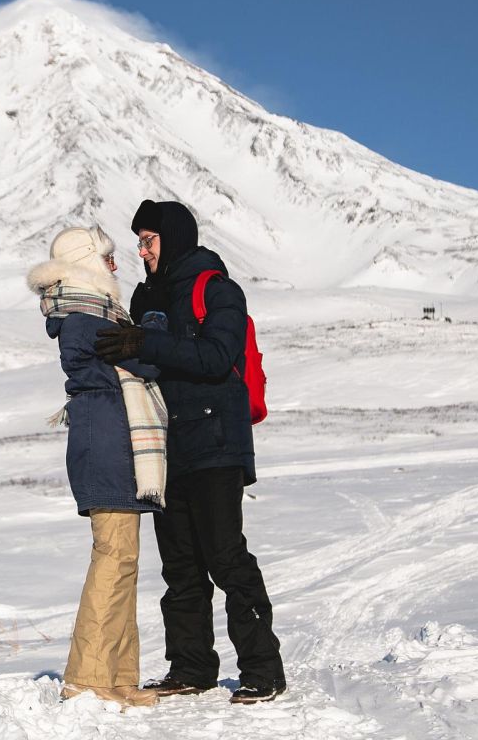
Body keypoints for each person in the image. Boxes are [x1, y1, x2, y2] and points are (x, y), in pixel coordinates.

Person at [94, 200, 287, 705]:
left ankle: (264, 670)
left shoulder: (217, 289)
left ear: (174, 238)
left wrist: (145, 343)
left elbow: (216, 357)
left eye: (149, 240)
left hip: (216, 445)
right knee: (179, 566)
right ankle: (191, 667)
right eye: (138, 241)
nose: (142, 250)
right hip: (164, 448)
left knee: (225, 558)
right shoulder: (145, 297)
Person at [27, 225, 167, 709]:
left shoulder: (94, 312)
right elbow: (142, 365)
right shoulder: (86, 317)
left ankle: (120, 677)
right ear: (87, 263)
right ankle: (87, 676)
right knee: (113, 558)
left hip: (113, 440)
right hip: (106, 440)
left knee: (124, 561)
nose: (115, 266)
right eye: (105, 258)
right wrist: (152, 335)